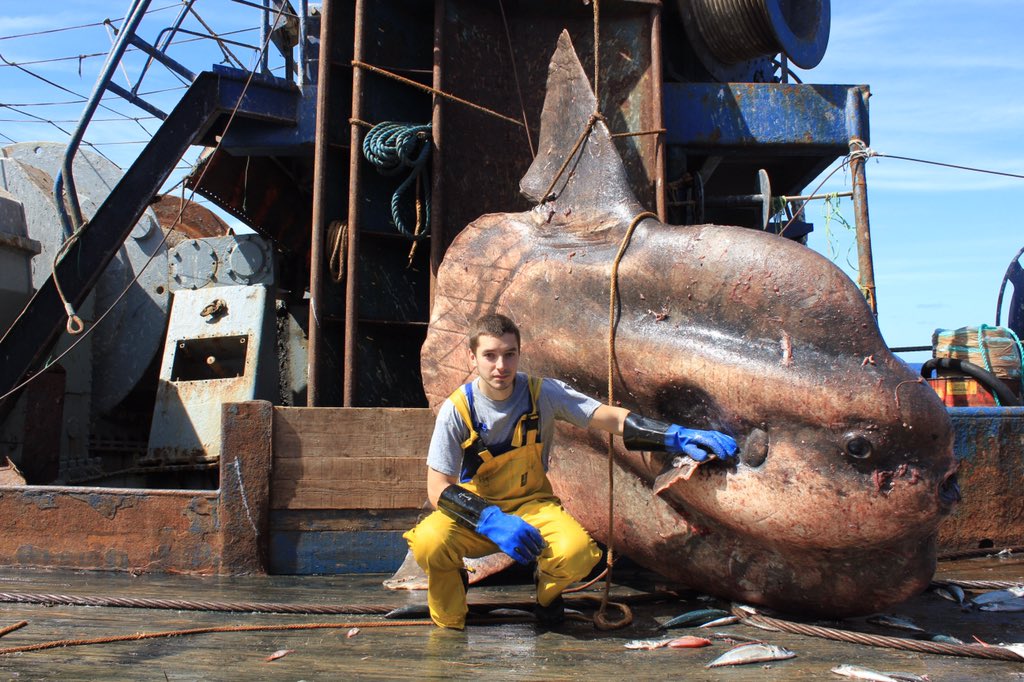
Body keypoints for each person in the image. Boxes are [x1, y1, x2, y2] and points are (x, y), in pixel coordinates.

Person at [404, 313, 737, 629]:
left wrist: (675, 436)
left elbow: (607, 417)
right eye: (490, 356)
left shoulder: (543, 394)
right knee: (430, 543)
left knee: (576, 553)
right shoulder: (457, 410)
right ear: (472, 358)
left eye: (509, 354)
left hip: (533, 506)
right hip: (478, 515)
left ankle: (547, 595)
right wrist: (490, 519)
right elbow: (438, 488)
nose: (501, 366)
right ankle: (450, 619)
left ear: (519, 354)